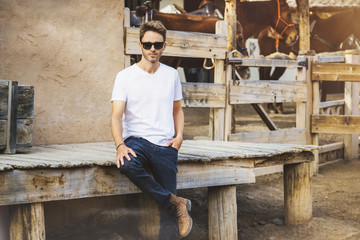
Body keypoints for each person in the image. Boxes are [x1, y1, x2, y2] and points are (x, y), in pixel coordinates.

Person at [110, 20, 192, 239]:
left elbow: (177, 109)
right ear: (140, 46)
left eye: (157, 44)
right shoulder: (125, 77)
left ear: (164, 46)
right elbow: (116, 115)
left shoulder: (171, 75)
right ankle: (176, 202)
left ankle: (172, 205)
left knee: (167, 215)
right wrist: (120, 145)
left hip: (165, 143)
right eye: (148, 45)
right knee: (127, 164)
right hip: (137, 140)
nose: (152, 49)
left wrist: (179, 136)